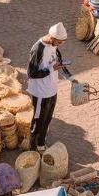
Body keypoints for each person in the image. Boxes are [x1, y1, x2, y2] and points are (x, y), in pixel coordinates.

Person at [27, 22, 67, 151]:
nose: (61, 44)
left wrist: (60, 65)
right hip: (41, 93)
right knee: (38, 122)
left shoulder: (53, 45)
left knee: (47, 120)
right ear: (52, 37)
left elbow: (55, 58)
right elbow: (32, 73)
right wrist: (51, 69)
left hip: (52, 90)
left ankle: (41, 144)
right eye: (59, 42)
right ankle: (32, 149)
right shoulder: (38, 49)